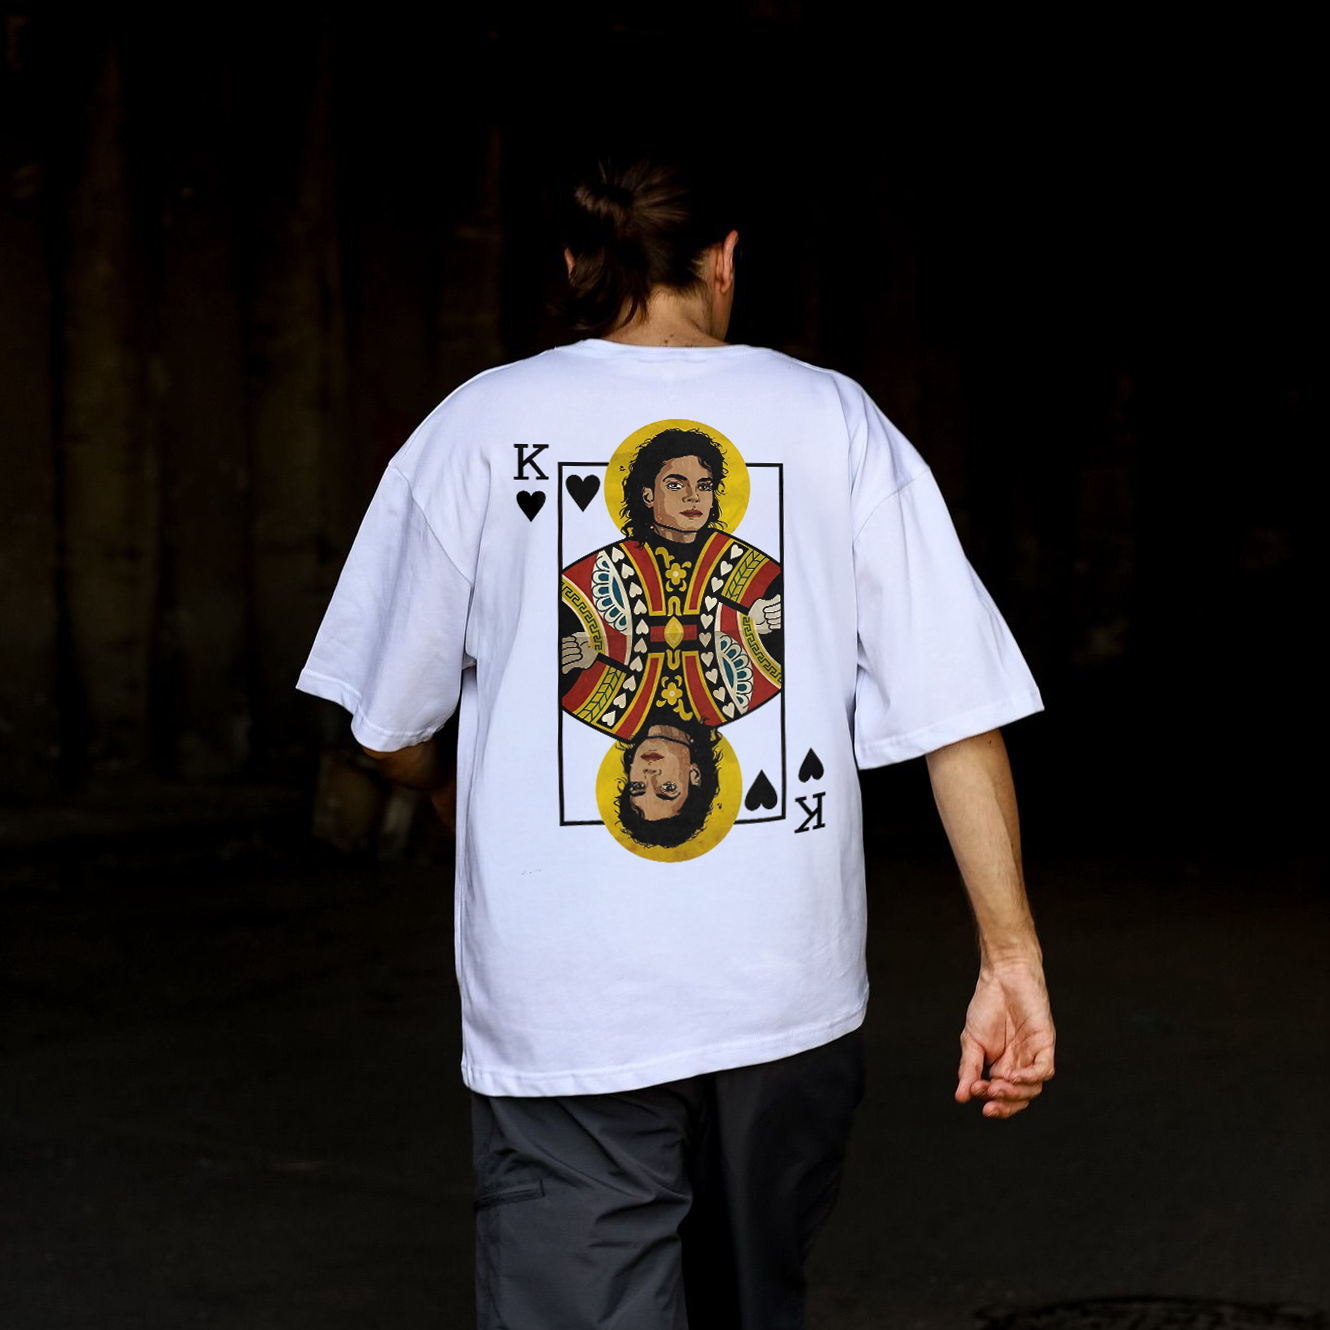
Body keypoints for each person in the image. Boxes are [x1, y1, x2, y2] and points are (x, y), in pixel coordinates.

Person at [295, 149, 1057, 1330]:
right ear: (725, 260)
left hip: (566, 1009)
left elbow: (388, 724)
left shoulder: (477, 427)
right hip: (787, 1001)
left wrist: (459, 792)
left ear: (574, 263)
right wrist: (1010, 959)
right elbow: (955, 713)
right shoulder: (834, 420)